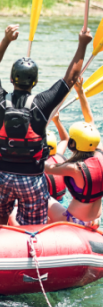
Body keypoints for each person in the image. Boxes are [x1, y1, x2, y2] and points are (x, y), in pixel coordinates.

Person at [0, 24, 92, 225]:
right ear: (35, 82)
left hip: (2, 176)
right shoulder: (42, 103)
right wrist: (82, 45)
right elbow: (70, 78)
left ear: (11, 78)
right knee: (34, 224)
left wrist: (6, 39)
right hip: (32, 178)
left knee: (0, 214)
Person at [46, 77, 103, 228]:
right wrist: (81, 92)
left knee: (45, 197)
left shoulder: (74, 168)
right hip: (95, 221)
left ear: (73, 144)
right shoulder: (100, 154)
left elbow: (44, 168)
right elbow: (90, 121)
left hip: (74, 220)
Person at [44, 113, 69, 205]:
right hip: (62, 203)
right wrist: (56, 121)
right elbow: (65, 139)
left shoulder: (34, 163)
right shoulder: (59, 156)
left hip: (45, 204)